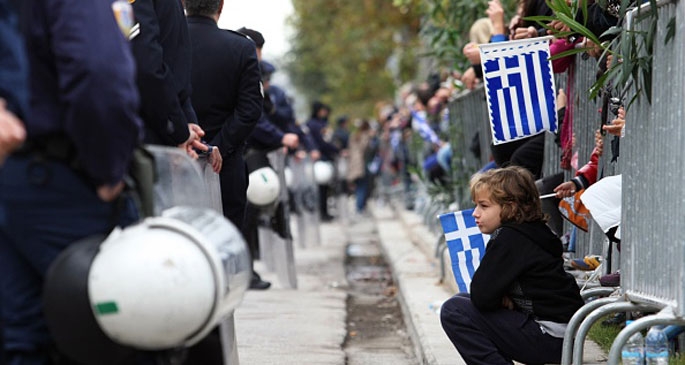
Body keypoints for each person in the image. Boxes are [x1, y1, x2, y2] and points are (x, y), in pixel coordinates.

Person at [0, 0, 143, 363]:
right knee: (113, 327)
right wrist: (109, 168)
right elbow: (99, 74)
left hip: (19, 171)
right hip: (60, 179)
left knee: (22, 336)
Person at [440, 166, 584, 365]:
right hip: (567, 339)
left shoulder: (509, 237)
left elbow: (482, 296)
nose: (475, 213)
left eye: (483, 206)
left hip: (550, 338)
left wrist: (501, 298)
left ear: (510, 206)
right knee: (461, 300)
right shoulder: (533, 230)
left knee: (453, 310)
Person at [185, 0, 264, 292]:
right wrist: (218, 147)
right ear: (221, 7)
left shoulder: (166, 42)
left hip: (177, 159)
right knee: (225, 249)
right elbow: (250, 109)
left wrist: (188, 140)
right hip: (225, 165)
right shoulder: (241, 47)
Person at [130, 0, 213, 162]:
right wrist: (178, 130)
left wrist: (186, 126)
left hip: (163, 128)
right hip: (145, 132)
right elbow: (146, 65)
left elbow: (175, 68)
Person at [306, 101, 339, 221]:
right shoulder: (315, 125)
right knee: (320, 188)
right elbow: (323, 142)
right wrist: (336, 149)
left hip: (322, 157)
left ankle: (324, 212)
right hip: (320, 159)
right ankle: (321, 213)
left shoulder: (317, 123)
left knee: (324, 189)